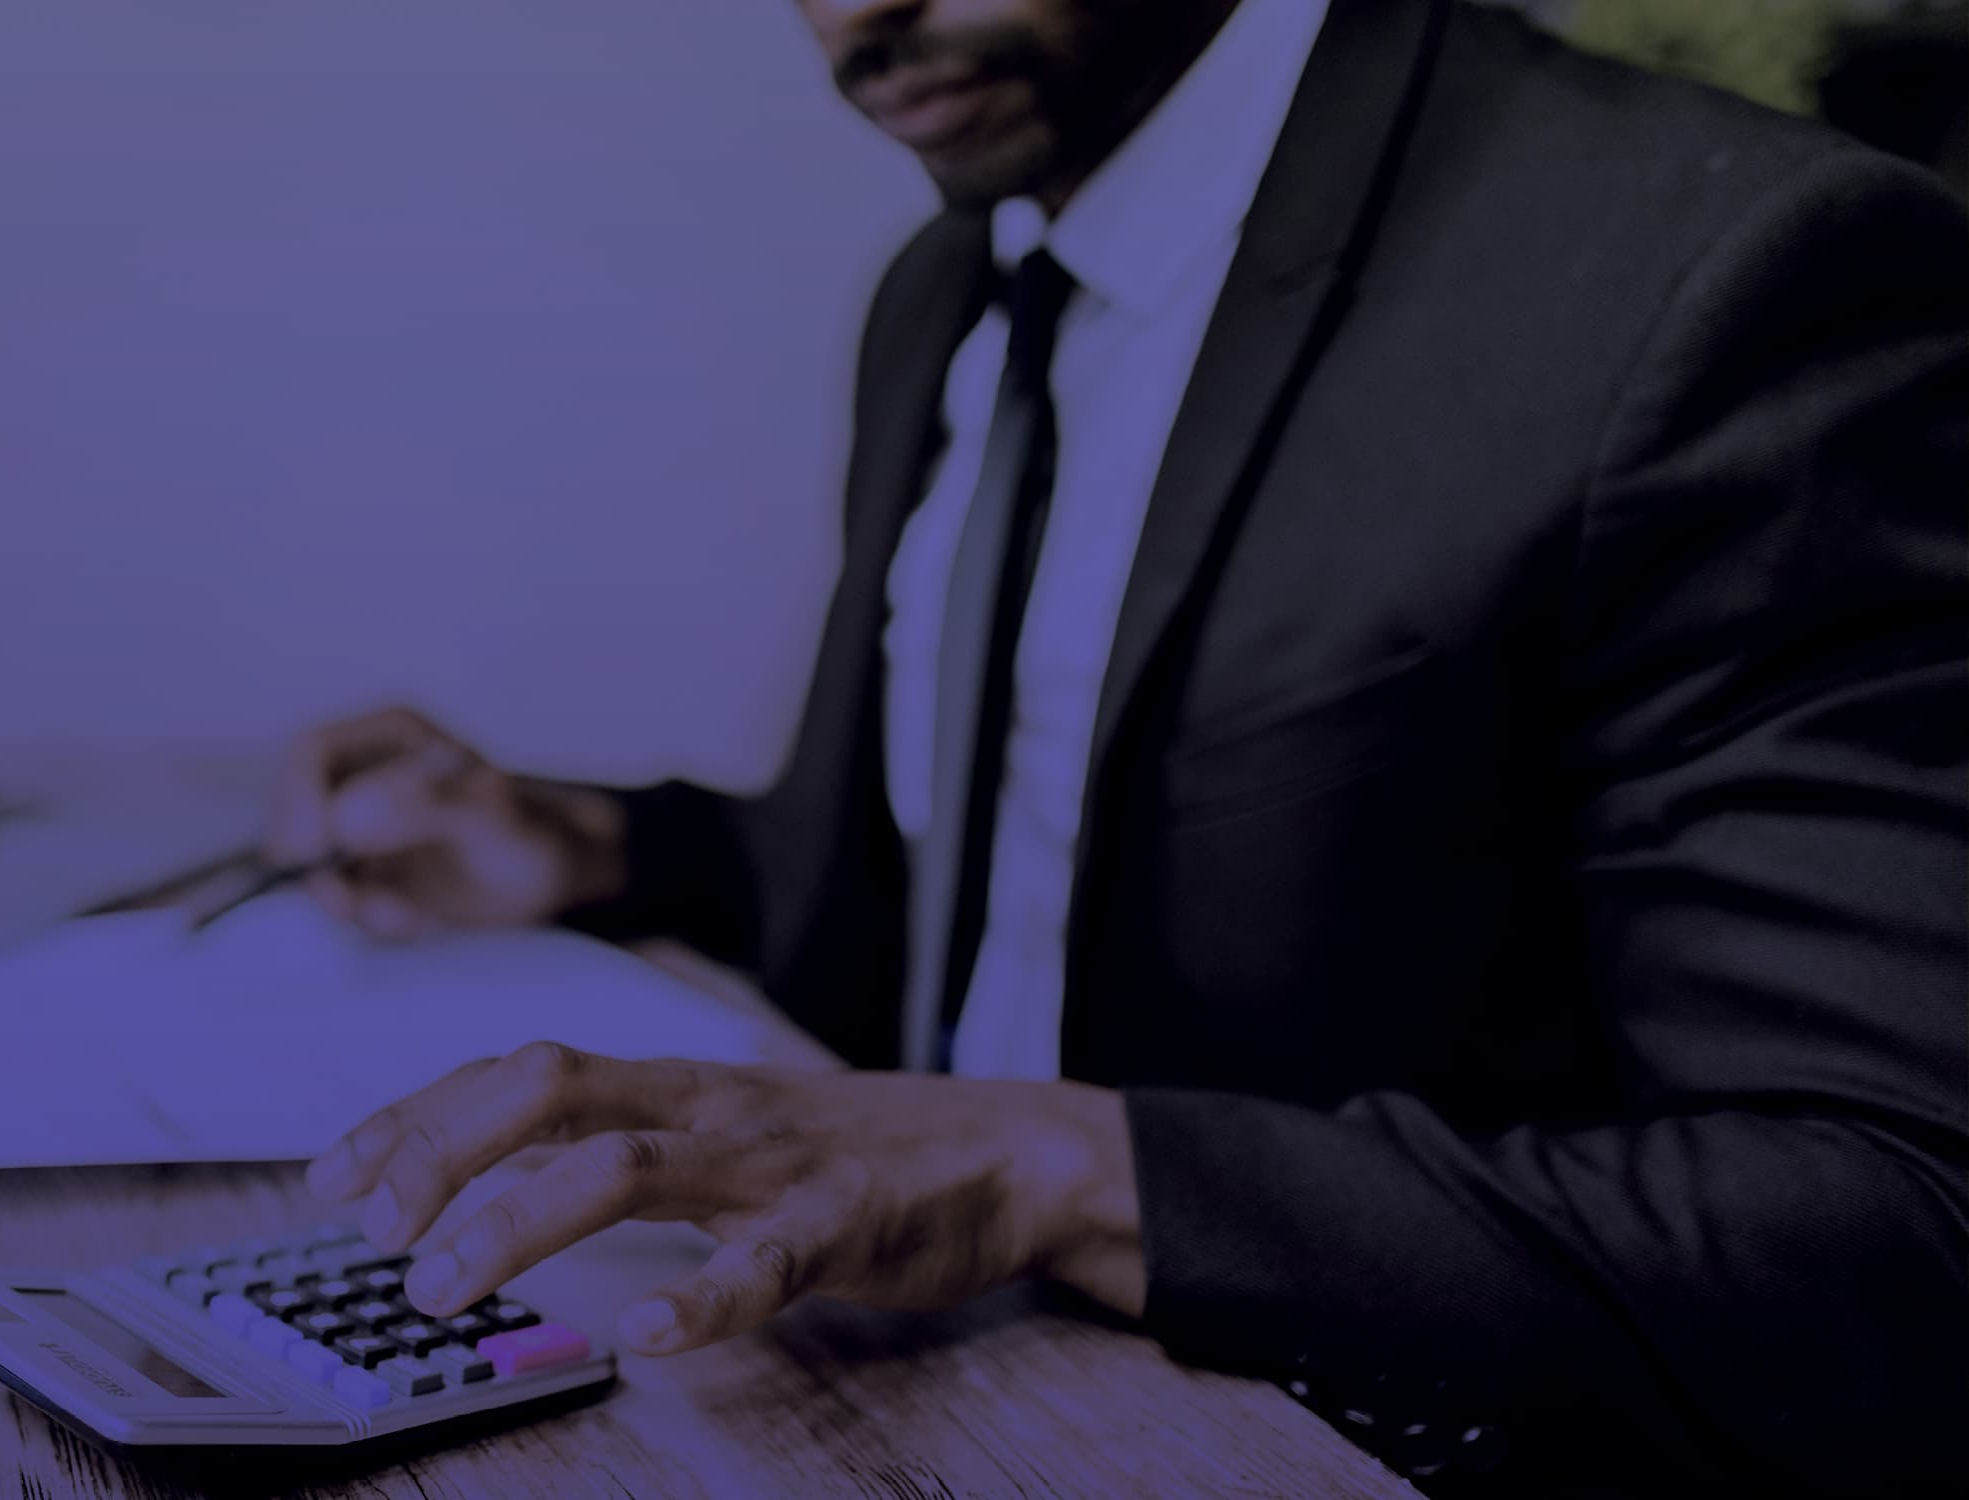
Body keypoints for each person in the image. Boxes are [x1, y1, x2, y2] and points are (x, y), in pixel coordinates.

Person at [266, 0, 1968, 1492]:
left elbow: (1898, 1229)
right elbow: (998, 887)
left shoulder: (1728, 278)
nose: (854, 14)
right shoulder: (951, 279)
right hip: (884, 1395)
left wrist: (1068, 1170)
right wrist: (603, 846)